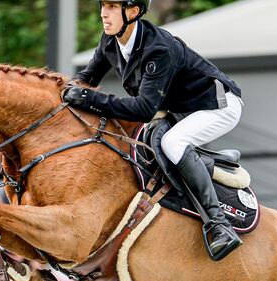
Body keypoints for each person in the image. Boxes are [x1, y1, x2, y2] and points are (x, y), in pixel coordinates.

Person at [64, 0, 244, 260]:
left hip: (217, 104)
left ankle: (219, 225)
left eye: (113, 6)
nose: (104, 13)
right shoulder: (110, 41)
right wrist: (62, 90)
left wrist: (89, 99)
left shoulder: (158, 48)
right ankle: (202, 169)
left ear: (133, 12)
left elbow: (144, 109)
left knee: (173, 143)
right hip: (183, 107)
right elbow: (86, 78)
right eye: (103, 5)